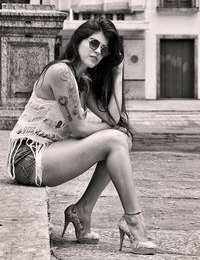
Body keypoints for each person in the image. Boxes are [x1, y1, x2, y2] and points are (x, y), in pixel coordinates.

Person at [7, 16, 158, 255]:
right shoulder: (61, 72)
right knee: (116, 139)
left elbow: (114, 118)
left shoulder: (82, 82)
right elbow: (79, 129)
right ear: (79, 39)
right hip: (28, 158)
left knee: (121, 139)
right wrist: (112, 131)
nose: (98, 52)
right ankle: (133, 222)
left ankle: (83, 210)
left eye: (105, 49)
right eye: (94, 43)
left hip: (49, 153)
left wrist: (118, 74)